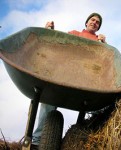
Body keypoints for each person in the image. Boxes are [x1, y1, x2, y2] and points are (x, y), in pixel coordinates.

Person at [31, 12, 106, 149]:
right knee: (48, 102)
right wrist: (50, 31)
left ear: (98, 28)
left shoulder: (99, 42)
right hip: (67, 75)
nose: (94, 23)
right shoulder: (74, 33)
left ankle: (82, 141)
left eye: (97, 23)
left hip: (86, 80)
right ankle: (36, 142)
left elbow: (105, 60)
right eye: (92, 20)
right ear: (86, 22)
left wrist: (105, 44)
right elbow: (59, 46)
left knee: (101, 107)